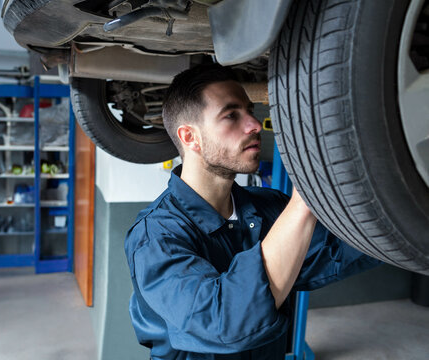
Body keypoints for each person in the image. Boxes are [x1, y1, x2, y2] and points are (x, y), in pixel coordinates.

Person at [124, 64, 381, 360]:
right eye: (231, 115)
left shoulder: (267, 207)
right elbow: (226, 320)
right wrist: (304, 200)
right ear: (189, 137)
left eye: (249, 110)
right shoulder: (156, 236)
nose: (255, 124)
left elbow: (336, 250)